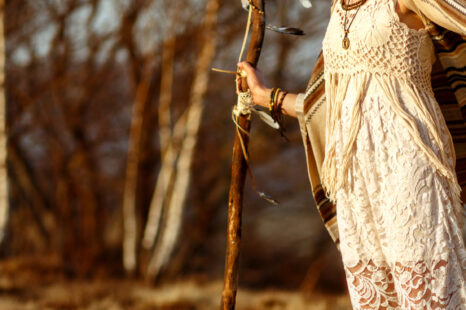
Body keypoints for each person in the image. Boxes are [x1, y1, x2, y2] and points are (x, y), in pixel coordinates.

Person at [238, 0, 466, 308]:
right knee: (373, 299)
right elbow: (331, 105)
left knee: (428, 295)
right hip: (353, 175)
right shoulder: (338, 9)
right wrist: (267, 97)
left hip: (410, 164)